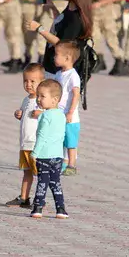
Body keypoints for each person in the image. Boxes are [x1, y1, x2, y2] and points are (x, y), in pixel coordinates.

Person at [26, 0, 93, 78]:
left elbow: (62, 43)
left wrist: (39, 28)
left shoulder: (76, 17)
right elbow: (62, 23)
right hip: (53, 63)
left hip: (60, 70)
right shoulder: (71, 8)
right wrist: (52, 7)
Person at [6, 63, 45, 209]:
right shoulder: (26, 99)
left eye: (33, 81)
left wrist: (41, 113)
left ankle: (40, 199)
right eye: (26, 81)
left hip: (36, 144)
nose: (28, 84)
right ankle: (24, 198)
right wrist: (19, 114)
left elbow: (52, 115)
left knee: (41, 174)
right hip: (25, 143)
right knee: (27, 172)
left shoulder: (42, 100)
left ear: (42, 81)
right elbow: (25, 116)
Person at [30, 79, 68, 219]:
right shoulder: (61, 115)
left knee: (42, 182)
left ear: (55, 99)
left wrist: (34, 153)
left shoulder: (45, 115)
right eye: (38, 96)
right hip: (57, 156)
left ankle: (38, 208)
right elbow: (62, 136)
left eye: (42, 96)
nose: (39, 99)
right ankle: (61, 209)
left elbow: (42, 136)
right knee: (55, 182)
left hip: (44, 156)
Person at [91, 0, 125, 75]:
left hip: (107, 10)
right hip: (95, 10)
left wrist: (101, 3)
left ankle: (119, 61)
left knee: (111, 38)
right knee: (94, 37)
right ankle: (99, 61)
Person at [53, 42, 81, 176]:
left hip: (70, 116)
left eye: (57, 55)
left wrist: (70, 112)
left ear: (68, 58)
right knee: (61, 139)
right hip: (59, 113)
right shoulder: (59, 74)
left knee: (70, 142)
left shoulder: (73, 76)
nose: (54, 57)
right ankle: (63, 162)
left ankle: (72, 164)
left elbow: (76, 94)